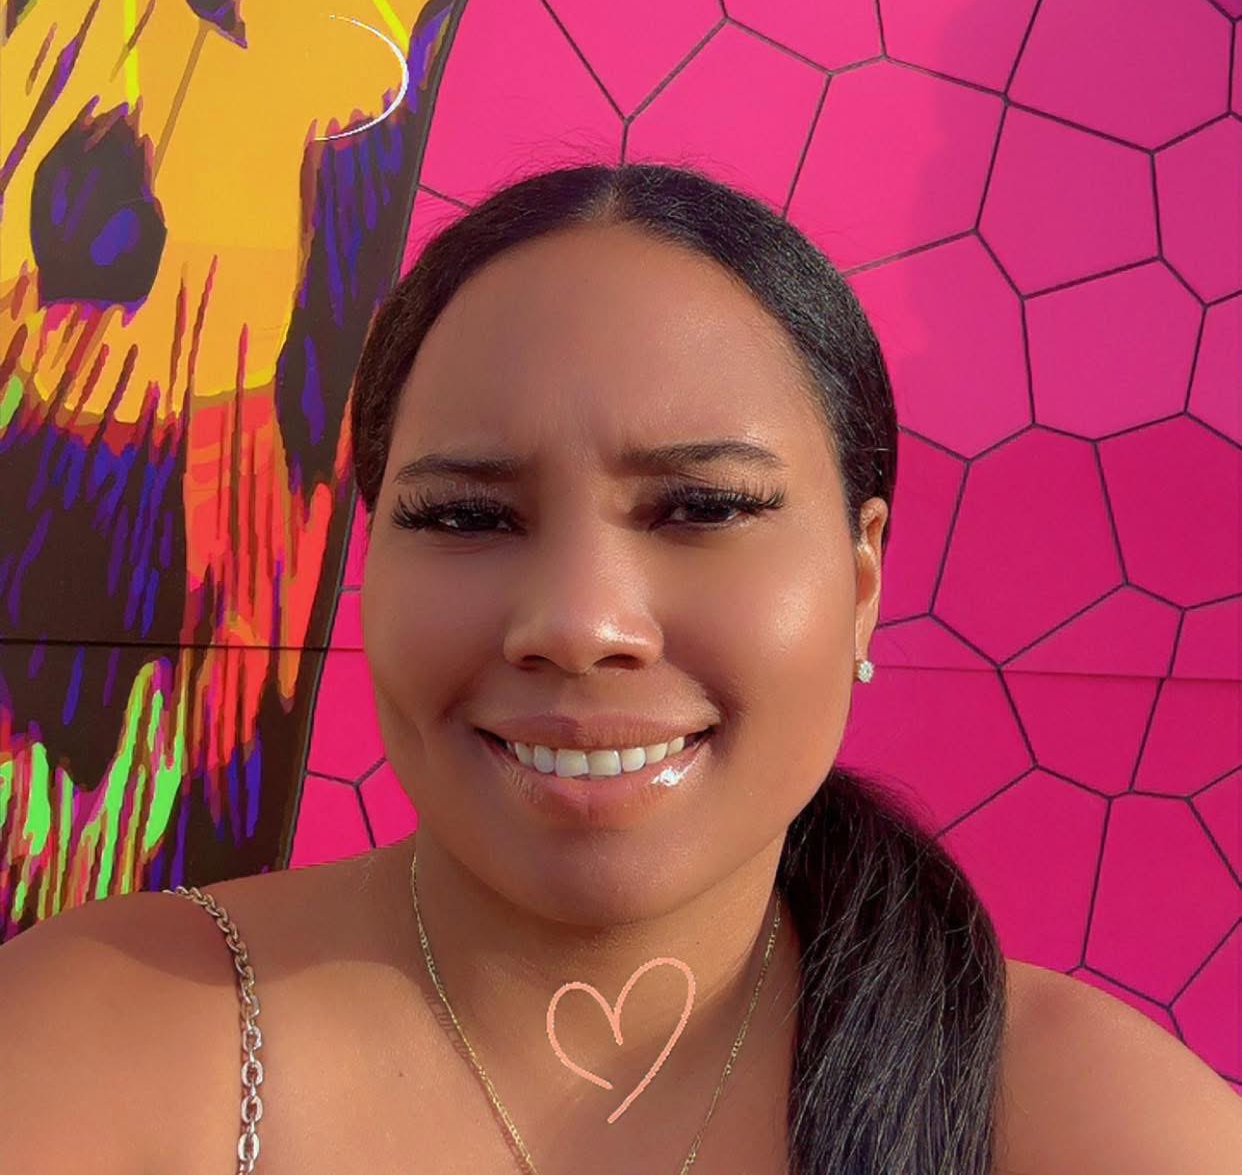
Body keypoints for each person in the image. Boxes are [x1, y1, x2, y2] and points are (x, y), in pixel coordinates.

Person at [4, 162, 1240, 1174]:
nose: (581, 622)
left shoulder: (1078, 1118)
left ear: (861, 577)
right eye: (469, 518)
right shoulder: (93, 1047)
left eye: (701, 506)